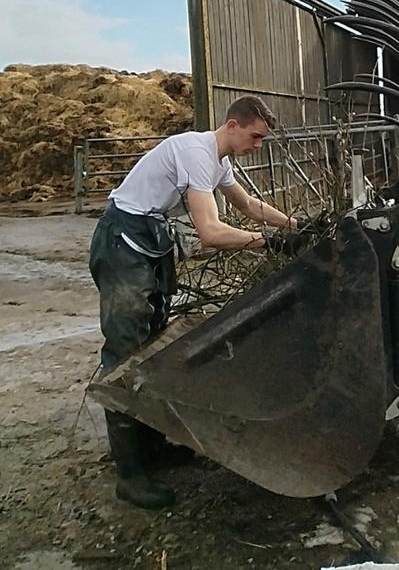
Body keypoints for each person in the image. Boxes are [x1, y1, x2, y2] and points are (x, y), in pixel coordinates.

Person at [89, 94, 296, 510]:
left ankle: (154, 447)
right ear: (233, 125)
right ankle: (130, 473)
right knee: (126, 352)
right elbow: (211, 232)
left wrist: (294, 225)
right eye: (255, 137)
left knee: (153, 346)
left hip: (147, 239)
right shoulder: (194, 150)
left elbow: (246, 204)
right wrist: (270, 242)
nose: (258, 145)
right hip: (121, 241)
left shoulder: (218, 161)